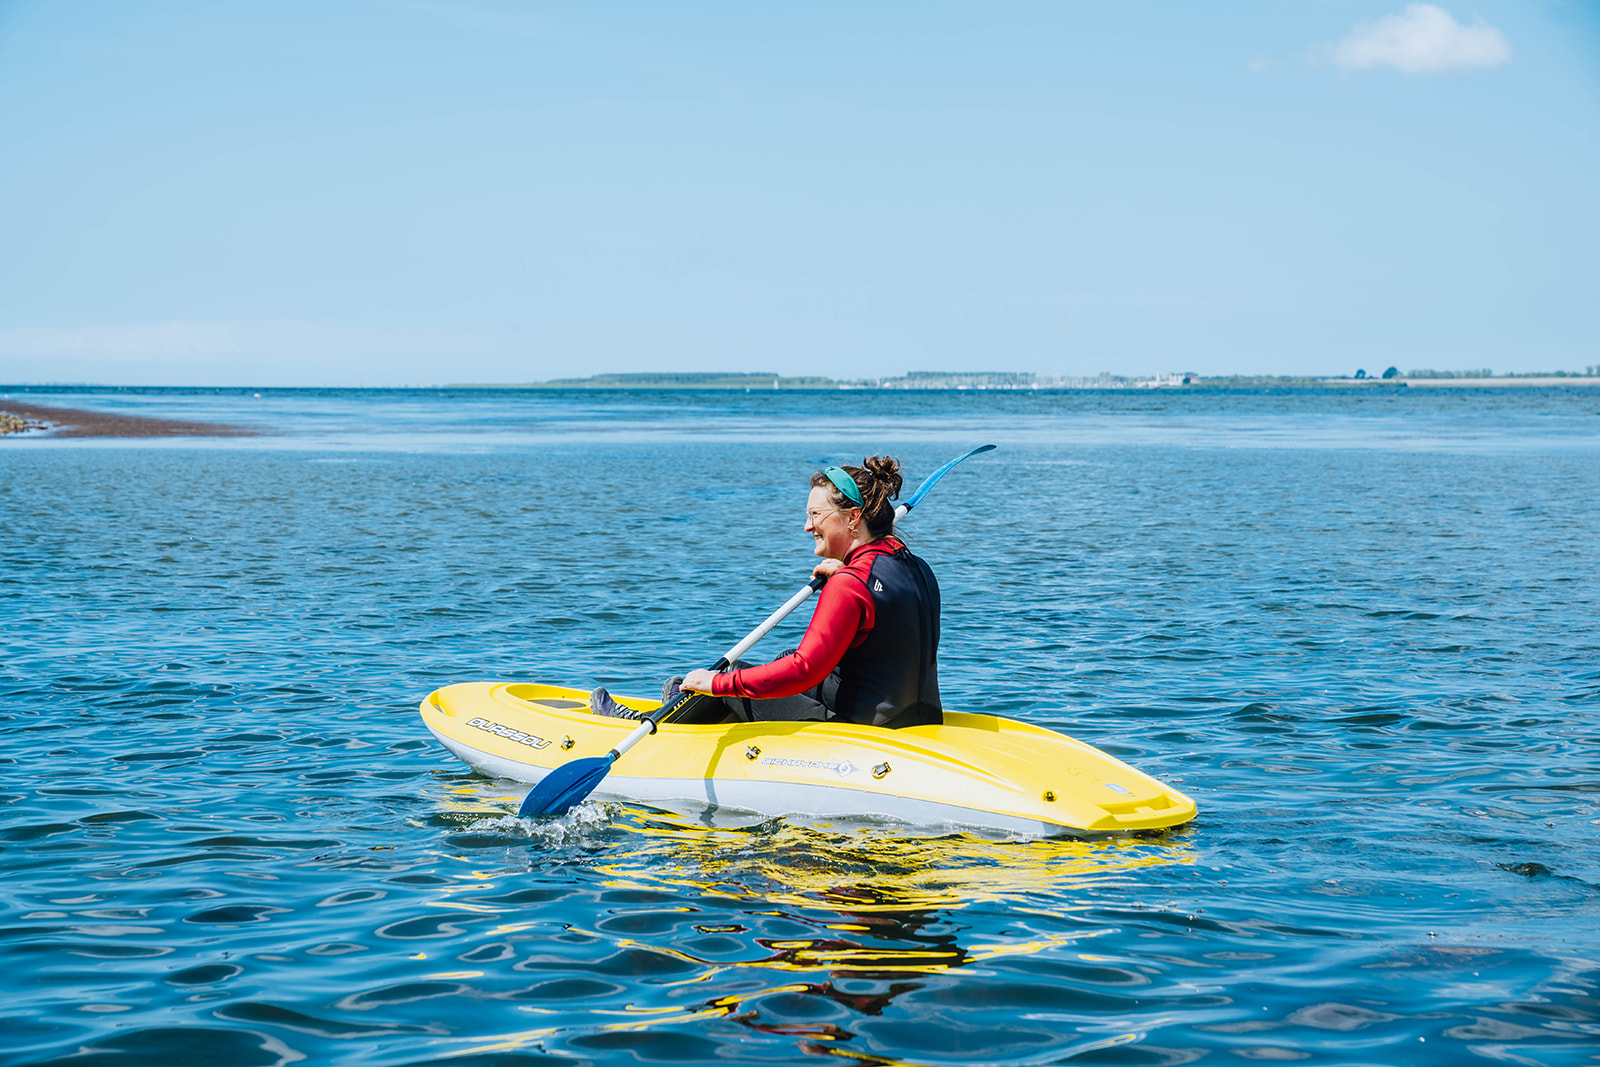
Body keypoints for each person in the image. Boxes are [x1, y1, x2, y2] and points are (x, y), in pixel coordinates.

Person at [636, 455, 943, 729]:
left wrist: (717, 683)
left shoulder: (850, 584)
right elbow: (883, 611)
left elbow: (804, 670)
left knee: (733, 675)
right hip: (918, 714)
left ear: (852, 517)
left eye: (815, 515)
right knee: (781, 657)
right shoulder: (916, 568)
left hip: (864, 726)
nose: (807, 527)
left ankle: (658, 727)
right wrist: (847, 567)